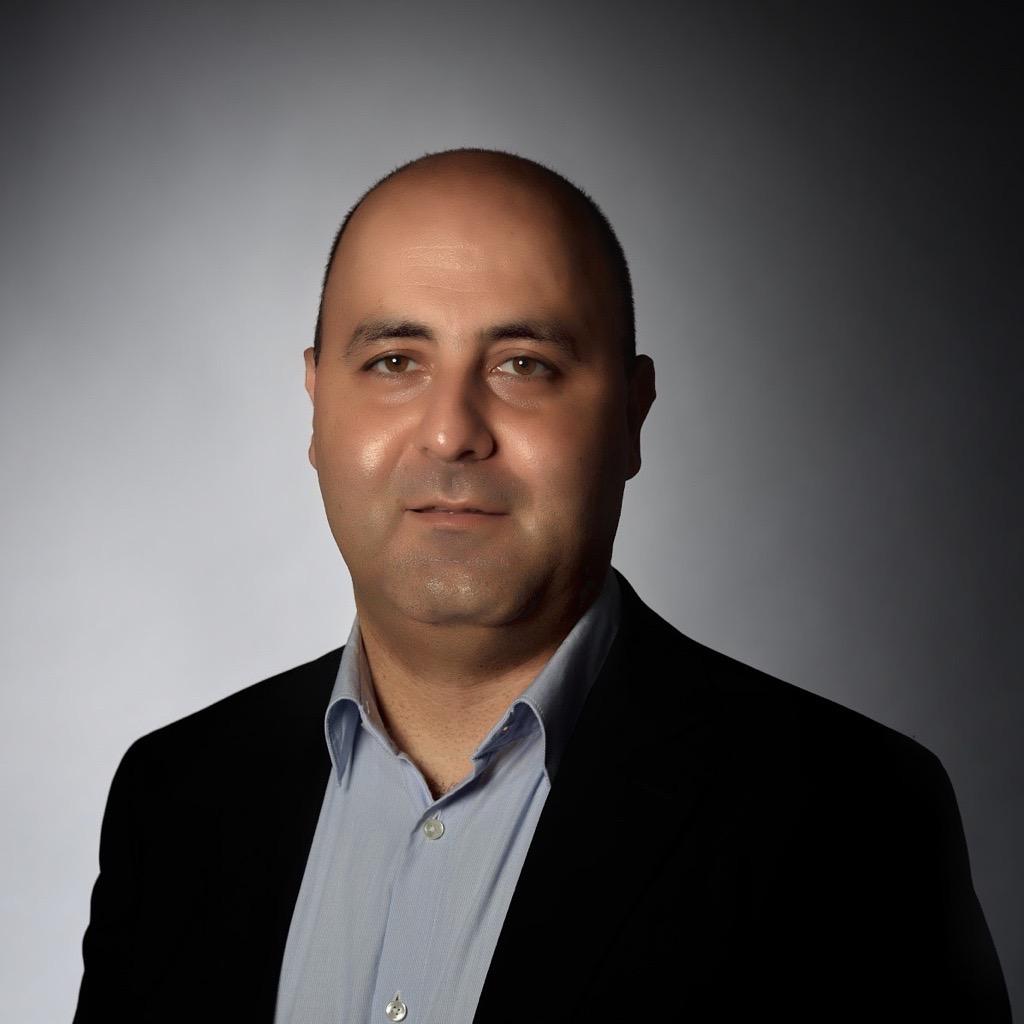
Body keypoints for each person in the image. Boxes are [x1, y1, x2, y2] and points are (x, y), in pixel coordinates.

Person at [72, 147, 1011, 1023]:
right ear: (316, 406)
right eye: (395, 362)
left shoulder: (852, 816)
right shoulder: (174, 800)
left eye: (524, 365)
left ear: (632, 415)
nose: (452, 432)